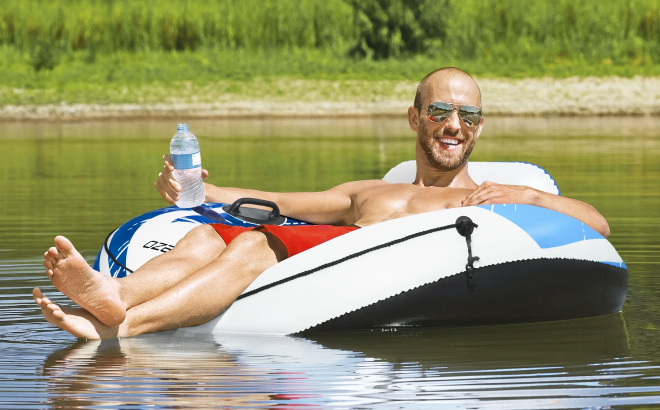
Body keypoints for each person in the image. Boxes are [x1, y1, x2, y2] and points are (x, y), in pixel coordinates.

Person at [33, 67, 609, 339]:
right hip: (334, 258)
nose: (452, 126)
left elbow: (598, 227)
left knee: (258, 243)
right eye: (439, 112)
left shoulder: (491, 200)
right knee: (210, 234)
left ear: (479, 128)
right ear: (415, 118)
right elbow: (281, 202)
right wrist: (205, 192)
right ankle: (117, 296)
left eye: (467, 116)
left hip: (386, 263)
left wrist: (527, 195)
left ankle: (124, 326)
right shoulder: (371, 192)